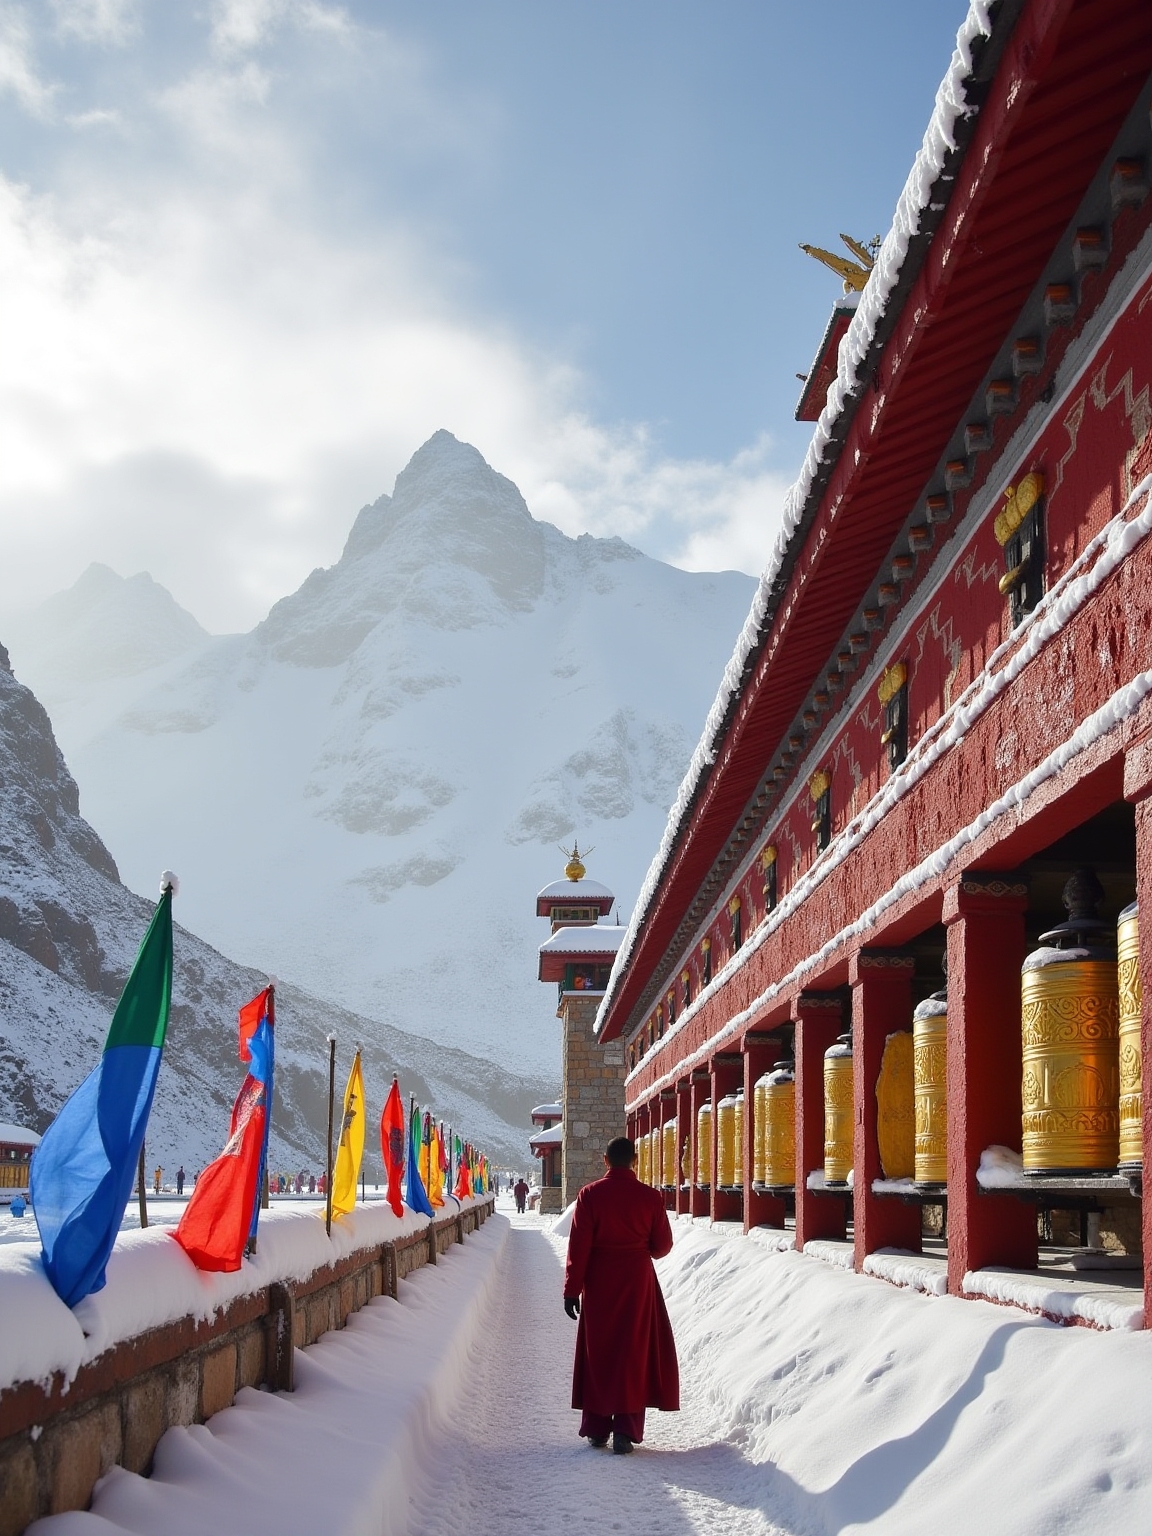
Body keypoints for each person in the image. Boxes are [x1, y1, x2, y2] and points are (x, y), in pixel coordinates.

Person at [563, 1136, 679, 1456]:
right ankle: (626, 1430)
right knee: (632, 1349)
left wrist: (572, 1290)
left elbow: (579, 1247)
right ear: (635, 1160)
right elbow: (663, 1246)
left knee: (600, 1350)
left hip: (599, 1281)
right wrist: (641, 1250)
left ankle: (598, 1429)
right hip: (637, 1280)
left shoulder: (590, 1195)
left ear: (605, 1160)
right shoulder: (651, 1197)